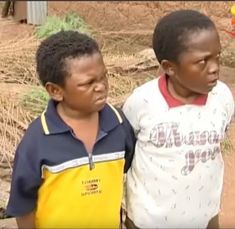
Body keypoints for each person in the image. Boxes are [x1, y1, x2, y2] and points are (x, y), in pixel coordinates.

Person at [6, 30, 135, 228]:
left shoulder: (119, 125)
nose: (101, 87)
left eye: (103, 77)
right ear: (55, 91)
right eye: (88, 83)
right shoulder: (38, 140)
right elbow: (23, 205)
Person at [122, 9, 234, 229]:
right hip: (148, 220)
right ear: (169, 67)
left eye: (217, 57)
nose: (215, 68)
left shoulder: (222, 97)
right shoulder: (143, 102)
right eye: (202, 62)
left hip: (205, 216)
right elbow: (127, 149)